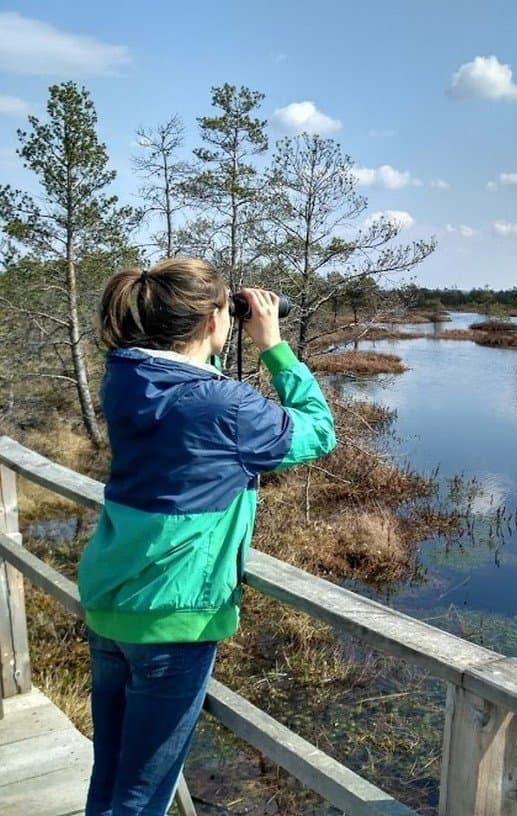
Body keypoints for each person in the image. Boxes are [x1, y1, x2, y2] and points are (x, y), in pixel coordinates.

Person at [76, 257, 336, 816]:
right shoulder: (224, 405)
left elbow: (185, 384)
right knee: (143, 795)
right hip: (174, 616)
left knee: (114, 771)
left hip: (110, 601)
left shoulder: (126, 378)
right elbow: (319, 431)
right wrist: (273, 345)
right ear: (212, 322)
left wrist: (212, 333)